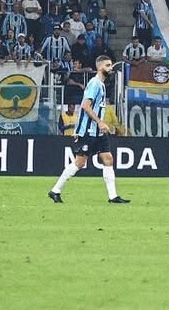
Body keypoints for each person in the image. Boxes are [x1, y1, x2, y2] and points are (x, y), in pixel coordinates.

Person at [48, 55, 130, 204]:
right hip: (89, 131)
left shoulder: (102, 85)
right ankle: (55, 190)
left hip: (98, 132)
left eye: (111, 66)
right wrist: (99, 122)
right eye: (108, 65)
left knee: (108, 159)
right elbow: (86, 106)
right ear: (99, 67)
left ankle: (113, 197)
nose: (110, 68)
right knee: (79, 162)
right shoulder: (94, 84)